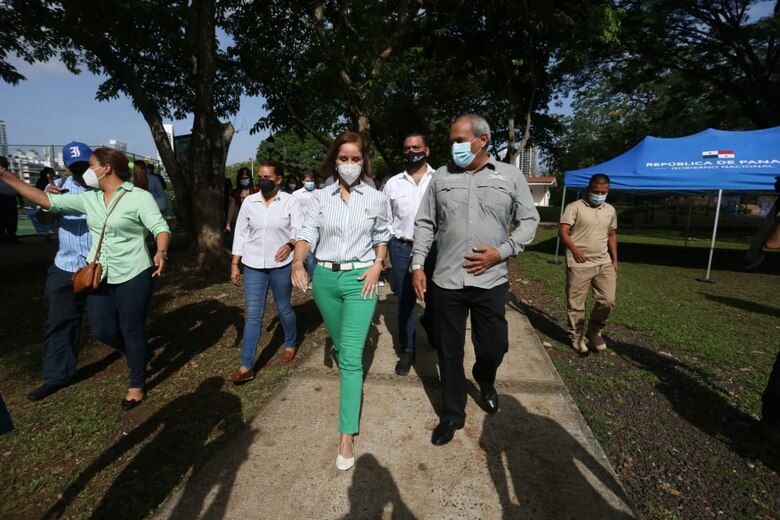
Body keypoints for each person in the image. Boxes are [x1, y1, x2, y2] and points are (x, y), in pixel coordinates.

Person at [0, 147, 171, 410]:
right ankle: (138, 354)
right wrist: (4, 174)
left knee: (132, 329)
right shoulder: (91, 198)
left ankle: (136, 384)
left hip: (134, 273)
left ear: (106, 168)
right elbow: (47, 201)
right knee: (102, 330)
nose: (87, 171)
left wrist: (160, 251)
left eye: (91, 165)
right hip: (101, 275)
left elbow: (160, 227)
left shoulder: (139, 197)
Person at [412, 114, 539, 446]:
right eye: (452, 141)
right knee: (449, 352)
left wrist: (502, 251)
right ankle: (452, 414)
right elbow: (425, 223)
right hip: (447, 280)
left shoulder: (509, 176)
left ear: (482, 140)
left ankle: (485, 377)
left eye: (459, 140)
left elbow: (529, 221)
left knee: (494, 346)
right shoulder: (441, 177)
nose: (453, 146)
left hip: (491, 280)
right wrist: (417, 265)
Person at [291, 131, 389, 471]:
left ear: (364, 161)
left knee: (350, 358)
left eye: (355, 159)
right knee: (341, 342)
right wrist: (297, 262)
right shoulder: (320, 197)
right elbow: (307, 234)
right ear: (335, 161)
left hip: (361, 279)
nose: (349, 164)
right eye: (344, 158)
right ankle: (342, 346)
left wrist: (378, 265)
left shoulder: (376, 197)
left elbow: (382, 236)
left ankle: (346, 435)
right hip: (325, 280)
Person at [25, 142, 94, 402]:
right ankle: (57, 376)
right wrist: (47, 203)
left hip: (101, 266)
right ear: (67, 167)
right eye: (76, 167)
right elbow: (44, 223)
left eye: (85, 165)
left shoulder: (105, 186)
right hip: (66, 266)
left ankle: (134, 358)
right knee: (59, 322)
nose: (81, 171)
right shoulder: (59, 188)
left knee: (111, 322)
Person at [227, 161, 303, 383]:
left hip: (281, 265)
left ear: (278, 179)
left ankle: (290, 342)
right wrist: (235, 263)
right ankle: (246, 366)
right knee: (253, 314)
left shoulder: (290, 202)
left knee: (283, 308)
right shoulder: (249, 202)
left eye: (267, 177)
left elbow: (299, 229)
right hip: (253, 266)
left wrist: (290, 244)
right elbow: (241, 234)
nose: (262, 180)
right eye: (260, 176)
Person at [383, 133, 437, 376]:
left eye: (416, 147)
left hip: (434, 249)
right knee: (405, 300)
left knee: (436, 298)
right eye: (407, 148)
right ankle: (407, 349)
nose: (411, 152)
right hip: (402, 248)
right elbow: (386, 220)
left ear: (426, 150)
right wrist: (385, 250)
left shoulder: (440, 179)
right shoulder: (393, 184)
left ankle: (431, 325)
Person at [559, 173, 618, 354]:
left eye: (603, 192)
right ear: (588, 189)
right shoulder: (574, 207)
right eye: (596, 191)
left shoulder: (610, 209)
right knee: (576, 303)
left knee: (607, 300)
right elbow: (563, 231)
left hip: (604, 262)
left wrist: (615, 260)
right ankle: (576, 337)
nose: (599, 195)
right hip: (580, 263)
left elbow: (612, 234)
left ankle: (594, 332)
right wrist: (575, 250)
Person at [291, 169, 318, 281]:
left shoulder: (319, 193)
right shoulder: (296, 194)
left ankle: (316, 276)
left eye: (311, 180)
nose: (310, 183)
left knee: (317, 255)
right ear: (303, 181)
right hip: (303, 228)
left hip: (317, 227)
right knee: (310, 255)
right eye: (307, 181)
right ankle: (313, 278)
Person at [225, 167, 258, 233]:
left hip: (256, 221)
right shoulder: (236, 193)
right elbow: (231, 208)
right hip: (242, 222)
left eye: (246, 178)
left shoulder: (256, 191)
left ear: (250, 178)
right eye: (242, 178)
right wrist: (228, 224)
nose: (244, 180)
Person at [0, 156, 20, 243]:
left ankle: (11, 237)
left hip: (11, 199)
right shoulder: (12, 175)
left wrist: (20, 200)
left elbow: (19, 189)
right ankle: (3, 238)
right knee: (3, 219)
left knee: (12, 218)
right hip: (2, 198)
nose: (6, 163)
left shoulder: (12, 175)